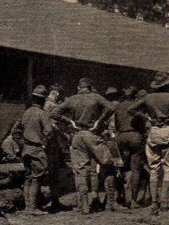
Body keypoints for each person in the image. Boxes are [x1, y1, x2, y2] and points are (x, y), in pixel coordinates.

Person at [129, 72, 169, 214]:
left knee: (154, 168)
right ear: (167, 84)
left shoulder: (148, 97)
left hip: (154, 130)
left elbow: (131, 109)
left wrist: (147, 117)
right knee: (168, 167)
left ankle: (154, 203)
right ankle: (164, 201)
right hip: (168, 129)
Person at [50, 78, 116, 214]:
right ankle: (109, 203)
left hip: (78, 136)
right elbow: (111, 107)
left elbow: (54, 113)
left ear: (78, 87)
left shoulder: (71, 99)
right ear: (90, 87)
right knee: (109, 164)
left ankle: (84, 206)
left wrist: (70, 122)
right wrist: (99, 121)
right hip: (93, 135)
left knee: (81, 172)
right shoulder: (96, 97)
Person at [19, 85, 53, 215]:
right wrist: (45, 143)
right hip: (37, 149)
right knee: (37, 177)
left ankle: (27, 207)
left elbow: (16, 130)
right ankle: (33, 208)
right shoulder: (42, 113)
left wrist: (22, 143)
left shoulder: (26, 112)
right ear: (43, 100)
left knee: (28, 177)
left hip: (26, 149)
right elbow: (49, 131)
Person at [112, 85, 147, 209]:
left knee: (119, 169)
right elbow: (142, 124)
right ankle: (133, 200)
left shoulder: (118, 106)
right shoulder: (139, 105)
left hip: (121, 136)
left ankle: (117, 199)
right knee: (136, 169)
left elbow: (116, 124)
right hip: (135, 135)